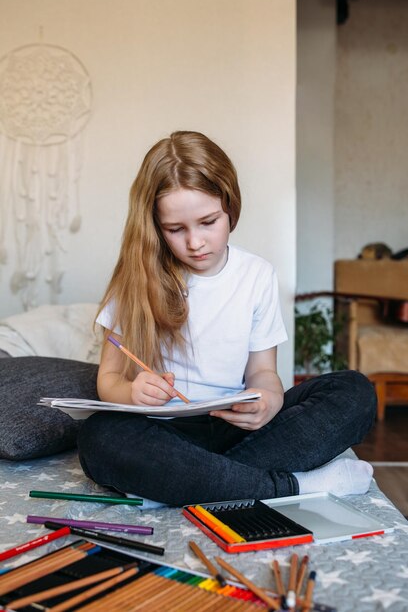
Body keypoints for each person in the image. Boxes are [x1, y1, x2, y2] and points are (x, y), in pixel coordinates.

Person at [78, 131, 376, 507]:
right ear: (154, 225)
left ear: (230, 205)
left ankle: (182, 484)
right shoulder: (134, 280)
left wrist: (267, 397)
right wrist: (133, 392)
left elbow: (262, 372)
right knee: (98, 436)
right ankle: (295, 486)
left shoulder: (257, 275)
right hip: (165, 430)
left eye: (208, 222)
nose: (195, 242)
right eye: (175, 230)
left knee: (354, 392)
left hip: (237, 427)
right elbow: (108, 381)